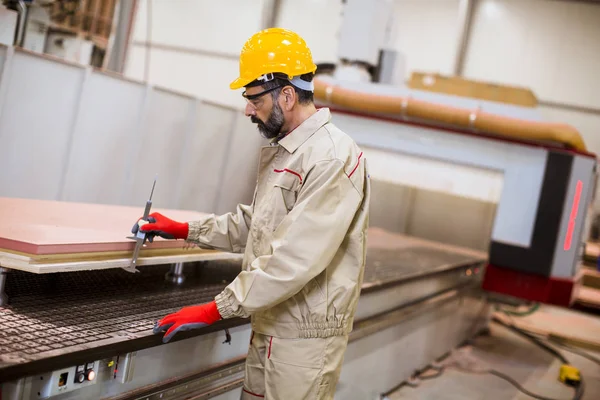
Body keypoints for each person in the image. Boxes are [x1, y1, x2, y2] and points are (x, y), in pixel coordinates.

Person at [133, 28, 371, 400]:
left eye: (254, 99)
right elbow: (256, 223)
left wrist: (217, 309)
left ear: (288, 95)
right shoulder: (293, 151)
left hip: (302, 341)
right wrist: (184, 229)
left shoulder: (331, 156)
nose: (247, 109)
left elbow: (294, 257)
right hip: (273, 322)